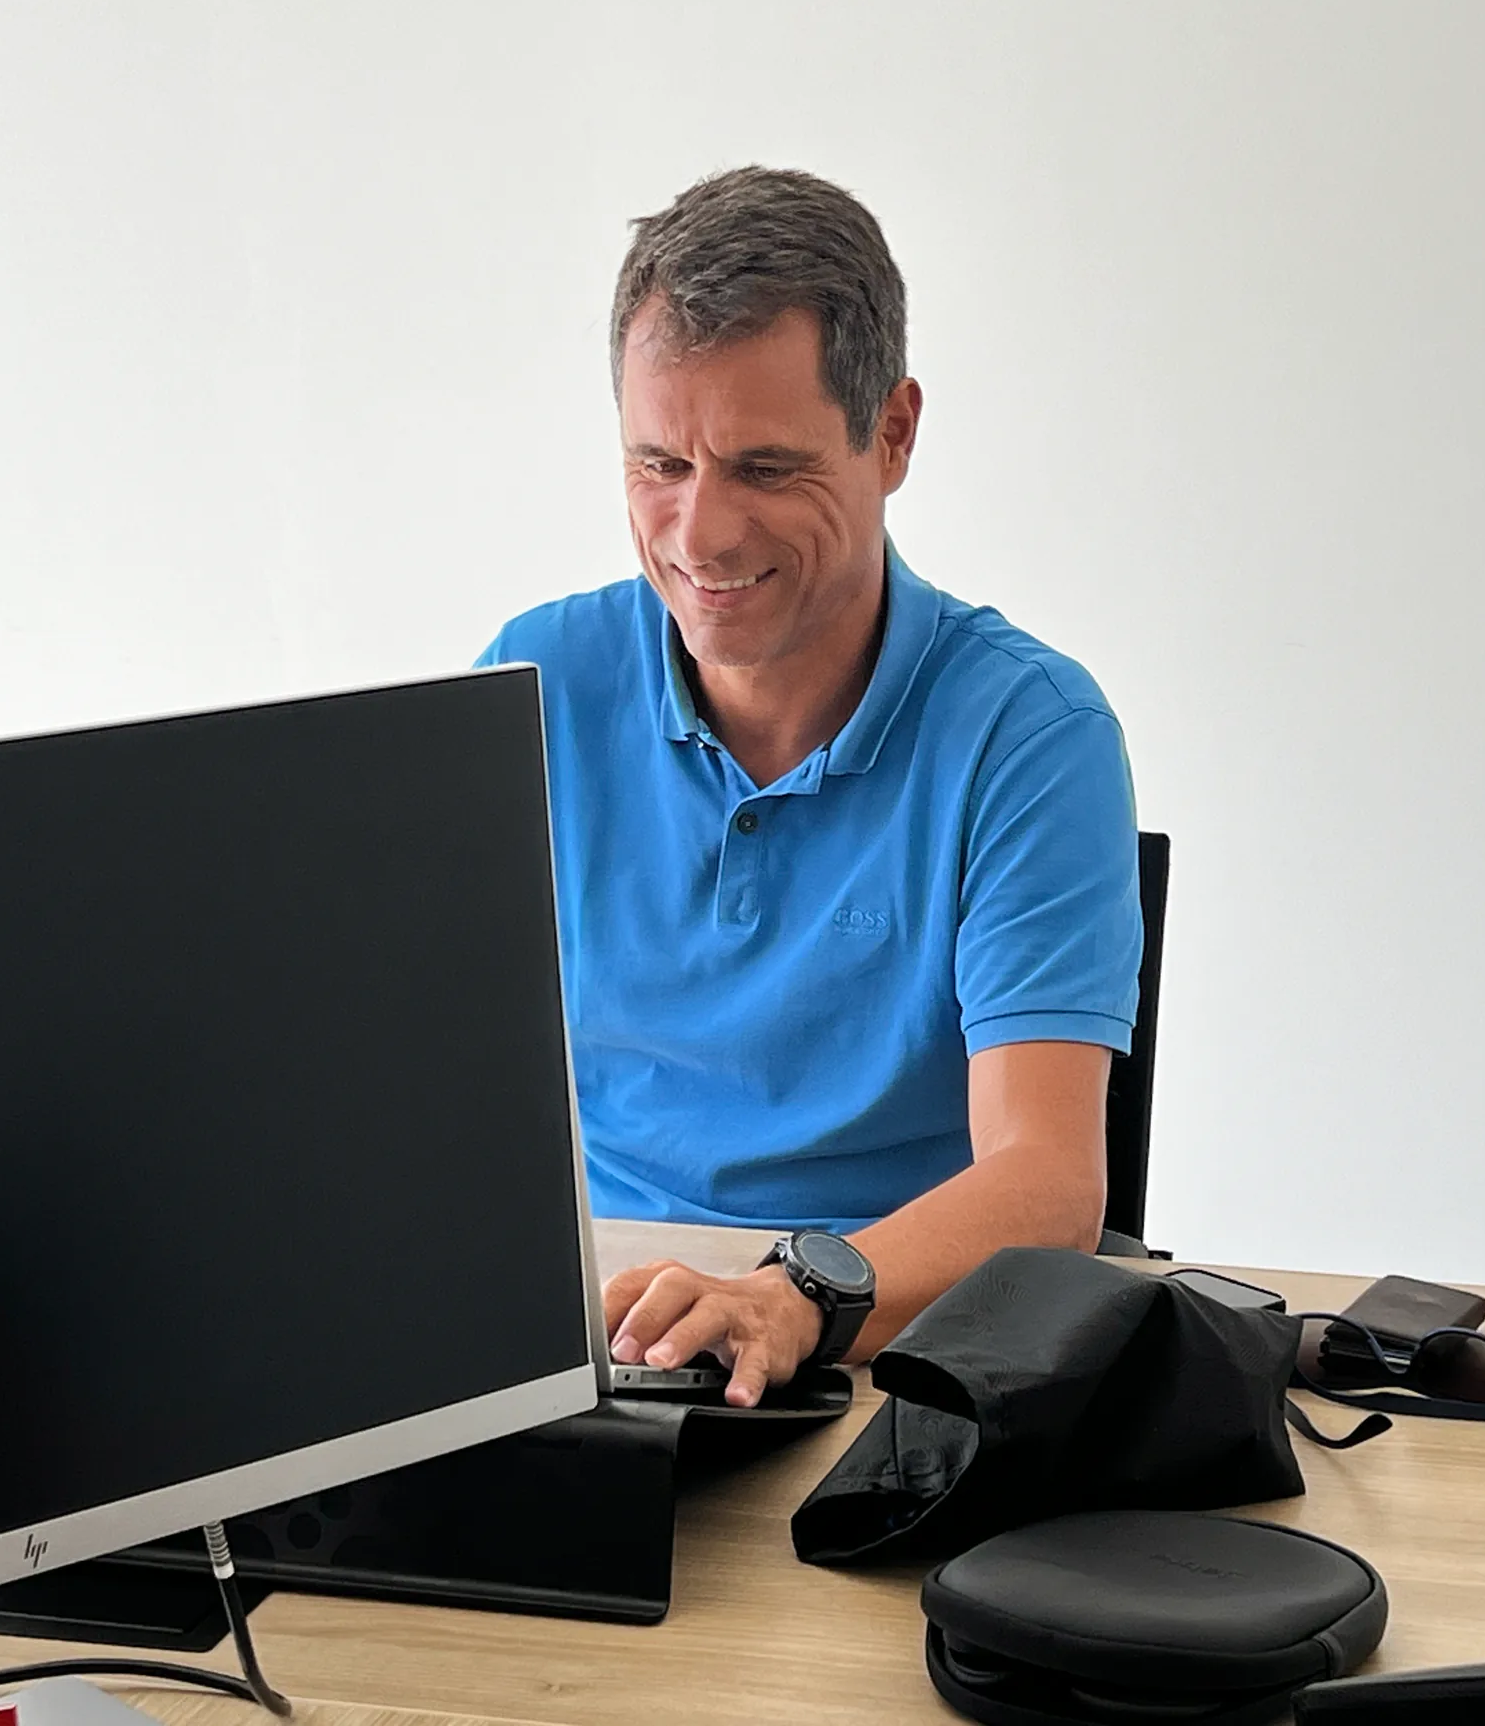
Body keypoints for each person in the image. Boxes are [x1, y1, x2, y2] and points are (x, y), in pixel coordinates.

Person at [479, 167, 1141, 1405]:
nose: (700, 535)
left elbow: (1049, 1183)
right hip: (587, 1340)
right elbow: (424, 1095)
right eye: (659, 463)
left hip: (885, 1342)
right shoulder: (531, 685)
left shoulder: (1029, 732)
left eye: (765, 470)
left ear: (891, 434)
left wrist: (793, 1299)